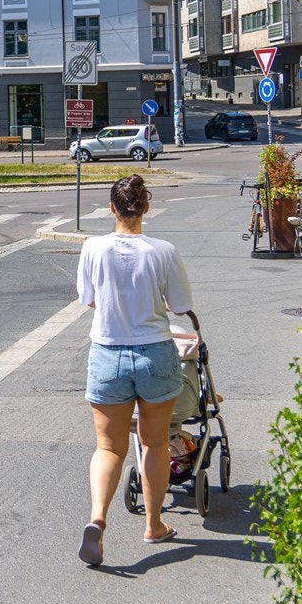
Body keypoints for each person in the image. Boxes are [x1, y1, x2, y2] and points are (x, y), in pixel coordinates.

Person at [76, 174, 195, 565]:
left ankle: (97, 518)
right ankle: (154, 524)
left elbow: (88, 299)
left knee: (108, 447)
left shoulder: (93, 248)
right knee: (155, 443)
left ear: (112, 208)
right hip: (154, 353)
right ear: (146, 208)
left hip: (108, 352)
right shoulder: (163, 250)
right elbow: (179, 305)